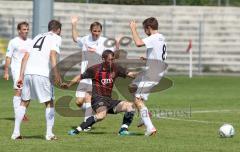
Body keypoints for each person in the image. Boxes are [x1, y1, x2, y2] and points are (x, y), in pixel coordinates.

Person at [71, 16, 130, 134]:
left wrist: (117, 44)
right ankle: (94, 110)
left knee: (88, 97)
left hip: (97, 76)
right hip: (85, 75)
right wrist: (74, 25)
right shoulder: (85, 40)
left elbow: (115, 56)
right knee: (78, 102)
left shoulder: (104, 42)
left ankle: (87, 123)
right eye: (94, 31)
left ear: (101, 31)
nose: (96, 33)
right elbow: (75, 38)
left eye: (98, 31)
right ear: (90, 30)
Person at [61, 50, 137, 135]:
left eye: (113, 59)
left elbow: (131, 74)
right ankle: (77, 130)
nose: (112, 62)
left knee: (131, 106)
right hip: (97, 99)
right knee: (101, 115)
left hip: (109, 100)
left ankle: (123, 130)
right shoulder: (95, 69)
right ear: (103, 59)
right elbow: (80, 76)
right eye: (110, 60)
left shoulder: (116, 68)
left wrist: (142, 74)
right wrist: (68, 85)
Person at [11, 20, 62, 140]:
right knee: (49, 102)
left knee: (24, 101)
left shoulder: (37, 36)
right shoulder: (56, 37)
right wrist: (56, 73)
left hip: (28, 73)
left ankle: (16, 133)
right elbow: (53, 55)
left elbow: (25, 58)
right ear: (58, 30)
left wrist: (21, 76)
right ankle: (49, 134)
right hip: (42, 73)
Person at [129, 17, 167, 136]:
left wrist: (133, 29)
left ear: (148, 28)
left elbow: (138, 43)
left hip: (152, 72)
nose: (144, 31)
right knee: (132, 86)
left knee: (137, 99)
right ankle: (144, 115)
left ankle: (150, 128)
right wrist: (148, 59)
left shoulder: (153, 37)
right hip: (155, 69)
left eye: (144, 29)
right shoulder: (162, 37)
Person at [3, 21, 32, 121]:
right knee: (19, 91)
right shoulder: (13, 42)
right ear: (19, 30)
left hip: (28, 71)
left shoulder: (31, 42)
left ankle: (21, 112)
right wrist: (6, 72)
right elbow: (8, 57)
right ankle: (18, 114)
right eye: (24, 29)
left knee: (28, 94)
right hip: (17, 71)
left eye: (27, 29)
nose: (26, 31)